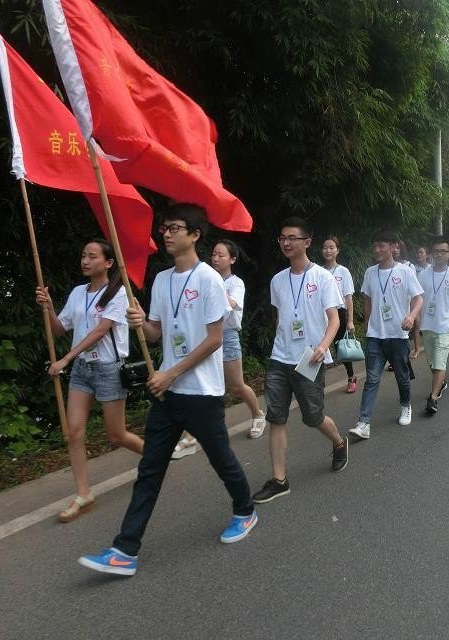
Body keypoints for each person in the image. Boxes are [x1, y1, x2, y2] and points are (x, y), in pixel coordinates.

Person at [77, 205, 257, 577]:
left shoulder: (210, 280)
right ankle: (125, 550)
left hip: (202, 393)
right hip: (169, 393)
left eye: (175, 228)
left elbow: (213, 340)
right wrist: (140, 325)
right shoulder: (161, 280)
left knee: (222, 460)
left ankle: (246, 510)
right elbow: (157, 334)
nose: (167, 234)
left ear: (194, 235)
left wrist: (170, 373)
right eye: (164, 228)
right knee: (150, 469)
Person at [35, 239, 143, 523]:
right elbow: (60, 329)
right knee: (73, 432)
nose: (85, 260)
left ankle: (155, 456)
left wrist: (64, 360)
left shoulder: (119, 293)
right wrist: (47, 308)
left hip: (108, 368)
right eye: (83, 255)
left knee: (116, 435)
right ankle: (84, 494)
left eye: (92, 256)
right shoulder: (77, 293)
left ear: (108, 263)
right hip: (83, 369)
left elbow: (100, 331)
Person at [251, 217, 349, 505]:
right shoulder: (277, 281)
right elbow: (282, 317)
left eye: (292, 237)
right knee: (276, 417)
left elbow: (335, 319)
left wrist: (322, 346)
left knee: (313, 417)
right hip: (280, 358)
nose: (286, 242)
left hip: (309, 358)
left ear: (307, 242)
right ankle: (279, 480)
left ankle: (339, 443)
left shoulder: (323, 278)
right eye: (282, 237)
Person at [349, 230, 423, 440]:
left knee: (401, 376)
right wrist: (366, 327)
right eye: (375, 246)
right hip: (375, 336)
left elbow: (418, 299)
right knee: (372, 379)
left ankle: (405, 405)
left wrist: (411, 316)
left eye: (381, 245)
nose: (377, 250)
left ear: (393, 246)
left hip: (398, 336)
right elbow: (368, 300)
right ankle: (364, 423)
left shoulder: (405, 271)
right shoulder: (370, 272)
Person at [213, 239, 268, 438]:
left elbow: (232, 303)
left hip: (227, 336)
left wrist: (215, 283)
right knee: (206, 385)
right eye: (213, 255)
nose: (215, 258)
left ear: (232, 259)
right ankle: (193, 434)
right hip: (205, 336)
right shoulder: (206, 279)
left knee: (236, 385)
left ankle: (258, 414)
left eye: (221, 255)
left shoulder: (235, 283)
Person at [417, 236, 449, 415]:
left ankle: (433, 398)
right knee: (432, 362)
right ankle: (441, 383)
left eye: (443, 251)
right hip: (427, 324)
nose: (439, 254)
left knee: (439, 361)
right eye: (436, 251)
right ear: (431, 254)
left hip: (446, 325)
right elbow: (418, 299)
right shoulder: (423, 275)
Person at [321, 235, 359, 394]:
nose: (328, 250)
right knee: (319, 345)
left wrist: (350, 321)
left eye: (331, 247)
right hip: (320, 313)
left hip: (339, 312)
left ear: (337, 250)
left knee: (340, 347)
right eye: (325, 247)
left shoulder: (343, 271)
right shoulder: (318, 271)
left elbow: (348, 297)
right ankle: (318, 383)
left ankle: (351, 376)